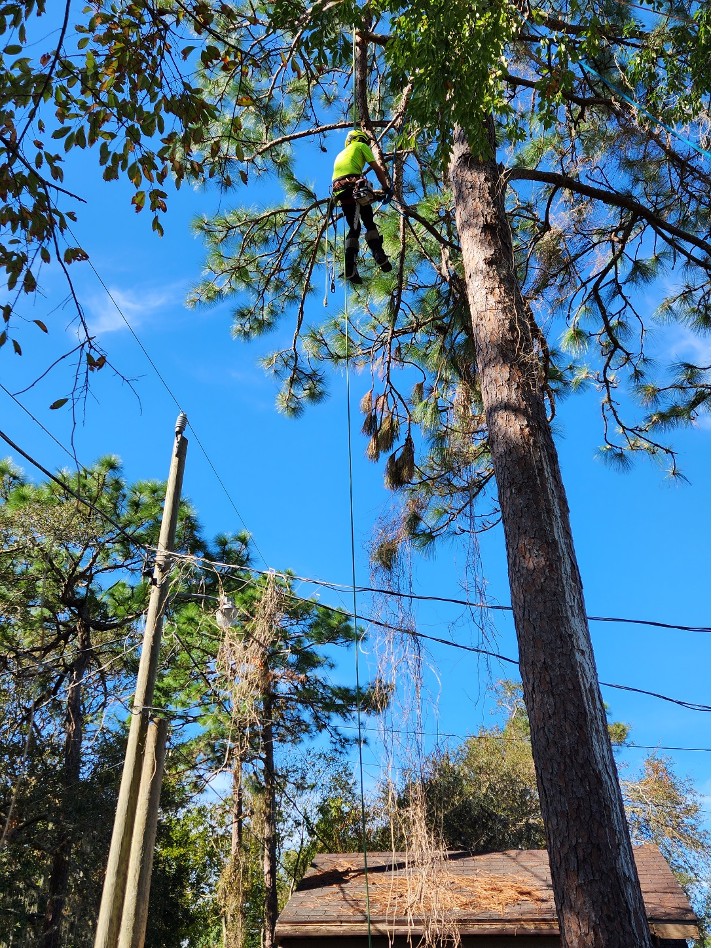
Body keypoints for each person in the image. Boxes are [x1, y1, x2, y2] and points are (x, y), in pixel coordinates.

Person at [332, 129, 393, 284]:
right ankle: (378, 254)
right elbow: (377, 168)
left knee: (354, 228)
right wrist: (386, 188)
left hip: (339, 189)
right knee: (369, 222)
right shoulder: (361, 145)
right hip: (354, 186)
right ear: (360, 139)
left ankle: (350, 266)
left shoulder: (340, 154)